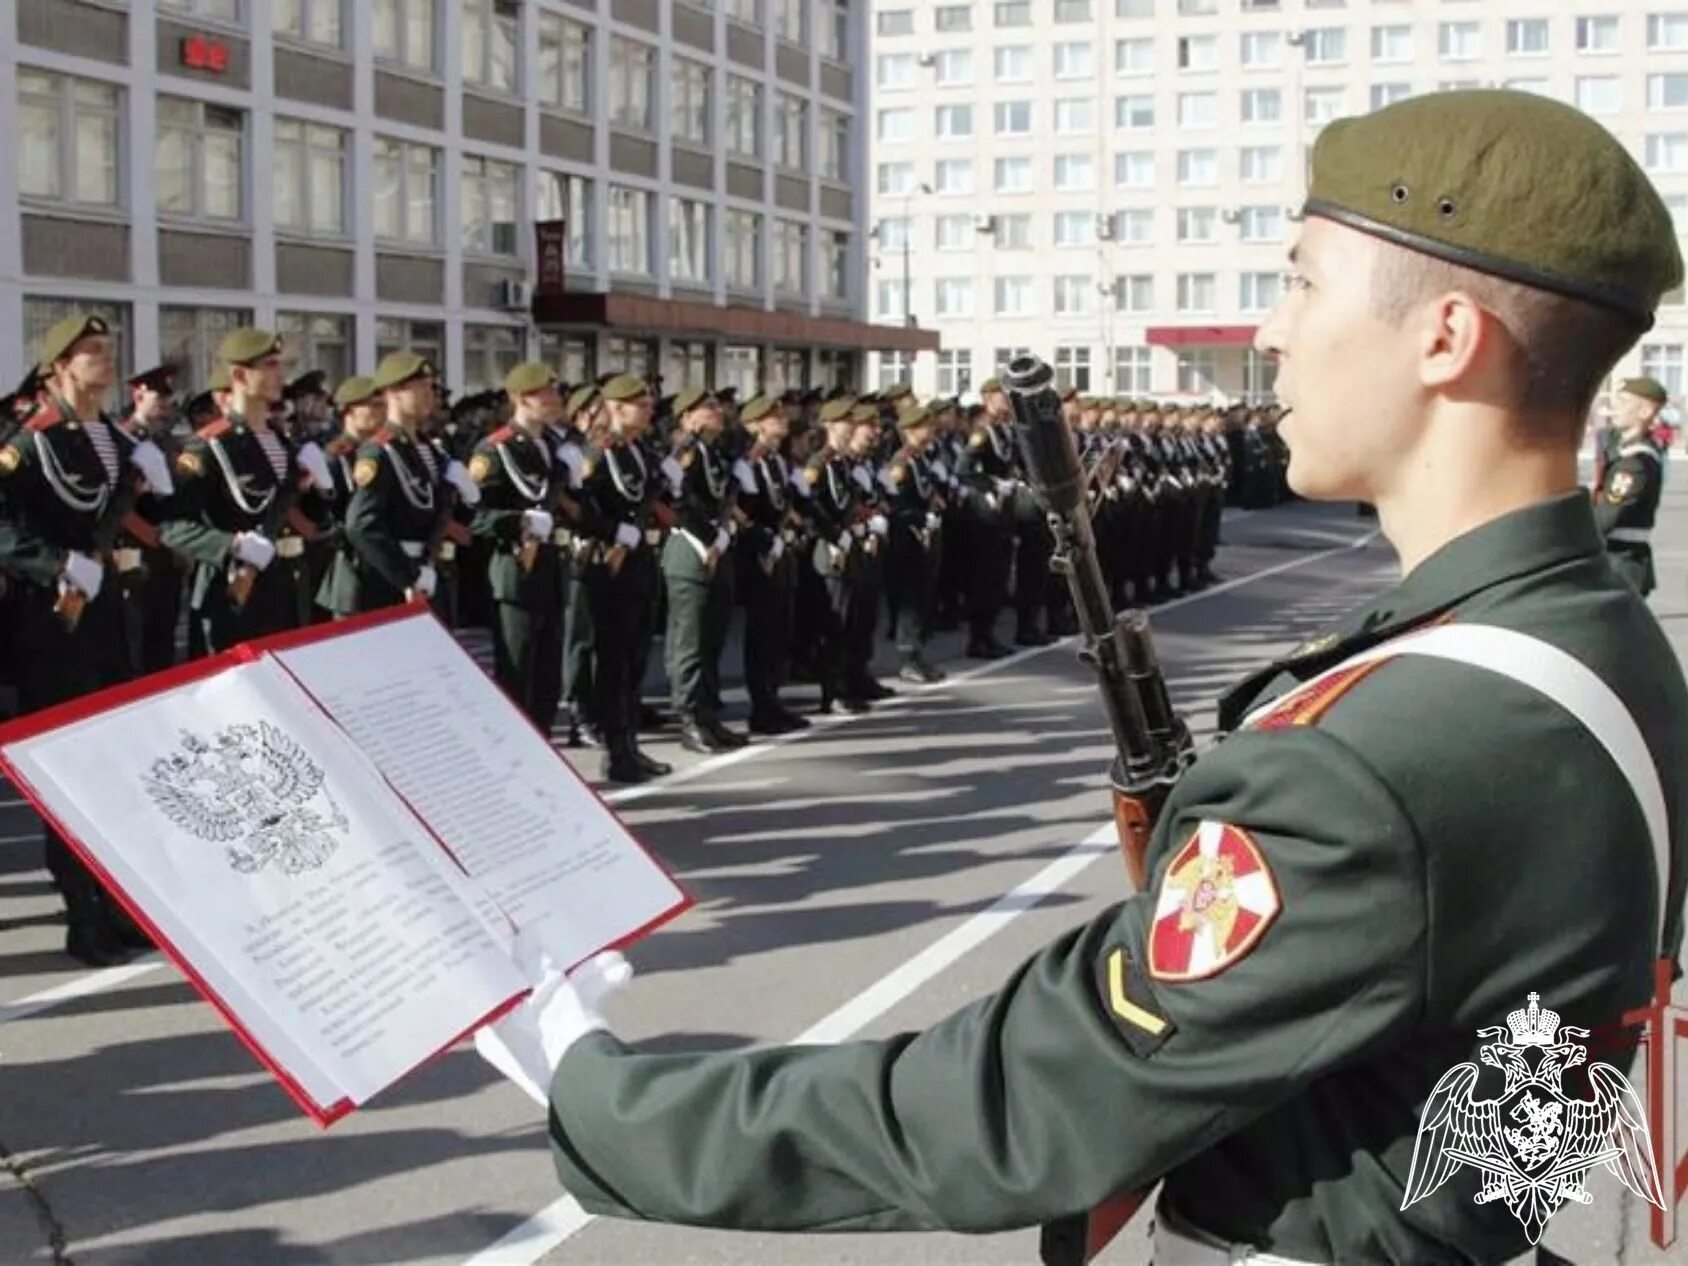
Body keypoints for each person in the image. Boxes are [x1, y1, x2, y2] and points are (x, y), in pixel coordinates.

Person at [474, 89, 1688, 1265]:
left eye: (1301, 282)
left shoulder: (1373, 754)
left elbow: (1024, 1104)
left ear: (1444, 336)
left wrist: (603, 1089)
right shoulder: (1598, 648)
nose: (1270, 330)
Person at [0, 314, 164, 963]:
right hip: (53, 620)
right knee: (68, 767)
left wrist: (148, 485)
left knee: (113, 765)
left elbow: (123, 516)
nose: (105, 358)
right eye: (91, 351)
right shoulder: (28, 444)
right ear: (59, 367)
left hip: (106, 615)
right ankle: (80, 911)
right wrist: (55, 563)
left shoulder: (113, 441)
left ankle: (112, 898)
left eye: (106, 348)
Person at [162, 329, 325, 653]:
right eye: (270, 365)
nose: (281, 374)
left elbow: (310, 518)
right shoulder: (209, 447)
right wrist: (231, 544)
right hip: (230, 590)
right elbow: (172, 526)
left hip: (282, 590)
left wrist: (323, 488)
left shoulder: (283, 444)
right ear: (238, 375)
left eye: (280, 364)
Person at [1594, 376, 1669, 596]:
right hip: (1615, 561)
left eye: (1624, 402)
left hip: (1622, 565)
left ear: (1645, 412)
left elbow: (1605, 518)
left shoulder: (1635, 464)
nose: (1615, 407)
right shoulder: (1623, 451)